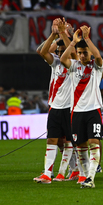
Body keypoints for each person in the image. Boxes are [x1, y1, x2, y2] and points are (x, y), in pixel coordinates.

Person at [60, 25, 103, 189]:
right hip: (76, 112)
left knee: (93, 143)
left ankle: (91, 177)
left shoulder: (96, 66)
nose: (83, 55)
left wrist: (87, 38)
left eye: (86, 52)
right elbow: (63, 59)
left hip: (93, 111)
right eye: (80, 53)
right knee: (81, 147)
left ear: (90, 53)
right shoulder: (74, 66)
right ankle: (84, 176)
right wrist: (73, 43)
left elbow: (98, 56)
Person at [34, 18, 76, 184]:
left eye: (61, 51)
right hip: (55, 107)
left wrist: (66, 34)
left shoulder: (75, 63)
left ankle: (67, 171)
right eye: (58, 51)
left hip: (70, 107)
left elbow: (73, 52)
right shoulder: (56, 64)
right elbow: (42, 52)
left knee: (69, 141)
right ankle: (47, 173)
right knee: (53, 140)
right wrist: (54, 34)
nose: (58, 54)